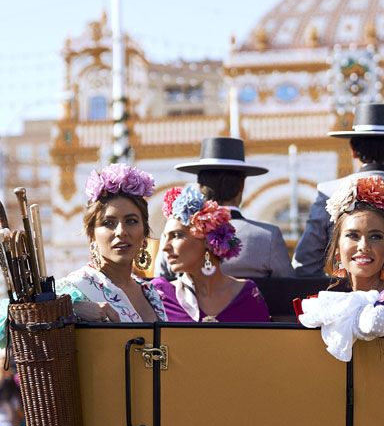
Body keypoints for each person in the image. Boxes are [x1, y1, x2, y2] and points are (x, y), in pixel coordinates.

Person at [296, 176, 384, 362]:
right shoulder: (335, 299)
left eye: (375, 237)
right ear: (337, 250)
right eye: (353, 235)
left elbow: (371, 325)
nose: (363, 246)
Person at [293, 102, 384, 280]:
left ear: (353, 150)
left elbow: (305, 263)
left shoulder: (330, 192)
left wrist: (335, 292)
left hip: (351, 296)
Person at [155, 137, 293, 279]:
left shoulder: (175, 235)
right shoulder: (267, 236)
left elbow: (160, 286)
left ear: (200, 187)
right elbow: (288, 288)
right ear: (241, 187)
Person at [56, 164, 167, 323]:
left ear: (144, 234)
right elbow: (15, 314)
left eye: (131, 221)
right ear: (91, 234)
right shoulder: (77, 287)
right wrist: (72, 308)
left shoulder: (151, 293)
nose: (121, 231)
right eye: (108, 223)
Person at [152, 184, 270, 323]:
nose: (165, 247)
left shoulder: (248, 294)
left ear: (208, 240)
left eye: (177, 235)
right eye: (166, 237)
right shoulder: (159, 293)